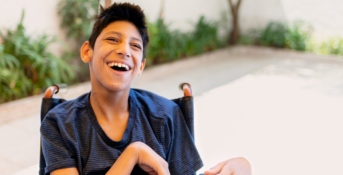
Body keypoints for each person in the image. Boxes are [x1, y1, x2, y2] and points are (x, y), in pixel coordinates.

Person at [40, 2, 251, 175]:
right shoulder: (59, 124)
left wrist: (241, 166)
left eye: (135, 46)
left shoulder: (165, 115)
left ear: (140, 66)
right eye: (113, 39)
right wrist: (133, 154)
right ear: (87, 51)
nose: (124, 50)